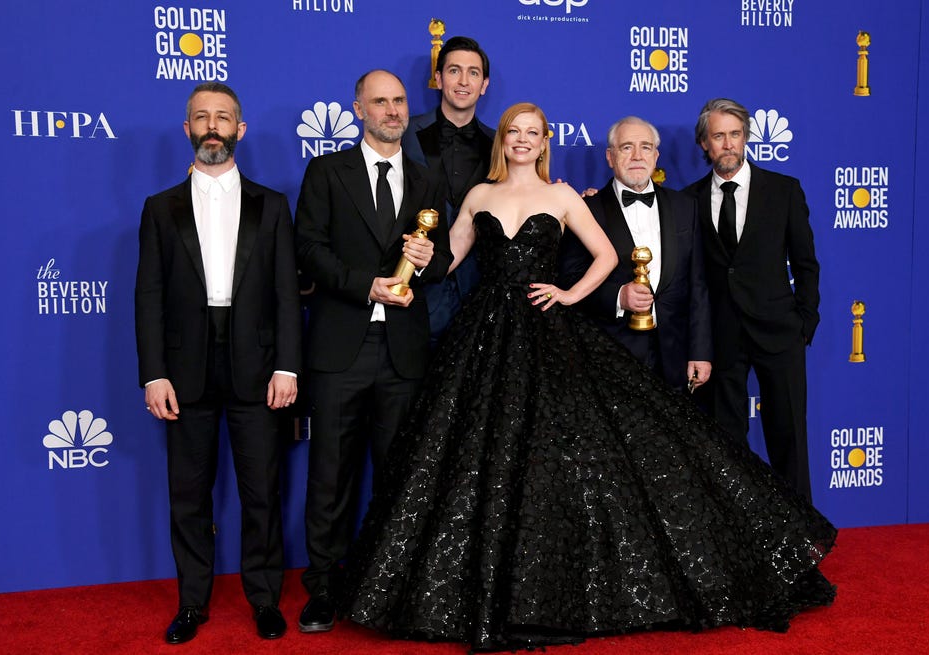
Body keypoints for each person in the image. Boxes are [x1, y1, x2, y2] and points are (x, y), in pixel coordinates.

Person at [341, 102, 836, 652]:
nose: (523, 141)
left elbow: (605, 256)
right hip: (481, 336)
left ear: (545, 140)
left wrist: (569, 295)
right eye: (515, 132)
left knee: (562, 457)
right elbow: (450, 260)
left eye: (533, 133)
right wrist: (420, 255)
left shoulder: (563, 197)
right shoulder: (479, 196)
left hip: (547, 333)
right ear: (502, 140)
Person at [134, 82, 301, 644]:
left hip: (258, 365)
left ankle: (263, 599)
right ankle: (191, 603)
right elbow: (149, 296)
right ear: (187, 129)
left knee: (262, 490)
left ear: (240, 129)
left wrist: (288, 366)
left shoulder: (272, 205)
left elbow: (286, 293)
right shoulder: (159, 209)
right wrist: (154, 373)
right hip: (185, 370)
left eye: (223, 117)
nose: (213, 126)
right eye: (201, 117)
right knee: (188, 493)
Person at [294, 69, 451, 634]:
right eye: (379, 101)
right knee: (331, 475)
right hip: (341, 348)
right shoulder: (327, 171)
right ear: (358, 108)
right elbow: (308, 249)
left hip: (405, 352)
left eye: (400, 101)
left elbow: (442, 259)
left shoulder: (427, 180)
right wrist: (367, 284)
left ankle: (389, 590)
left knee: (398, 477)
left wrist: (427, 261)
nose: (392, 110)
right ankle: (322, 588)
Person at [683, 98, 820, 501]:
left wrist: (803, 323)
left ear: (746, 139)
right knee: (726, 444)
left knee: (789, 437)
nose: (728, 144)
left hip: (780, 332)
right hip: (722, 339)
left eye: (735, 135)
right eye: (718, 136)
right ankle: (739, 541)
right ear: (705, 144)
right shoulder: (687, 200)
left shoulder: (783, 191)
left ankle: (800, 544)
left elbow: (806, 263)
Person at [558, 116, 712, 392]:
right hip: (609, 354)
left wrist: (700, 351)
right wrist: (618, 297)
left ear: (656, 155)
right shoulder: (586, 210)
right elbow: (569, 277)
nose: (638, 156)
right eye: (627, 147)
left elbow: (698, 284)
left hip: (674, 355)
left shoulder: (685, 206)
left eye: (646, 147)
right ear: (610, 156)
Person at [403, 36, 495, 343]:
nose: (463, 81)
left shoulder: (502, 146)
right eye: (454, 70)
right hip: (416, 290)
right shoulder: (403, 134)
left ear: (484, 84)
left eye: (473, 72)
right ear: (438, 78)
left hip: (481, 293)